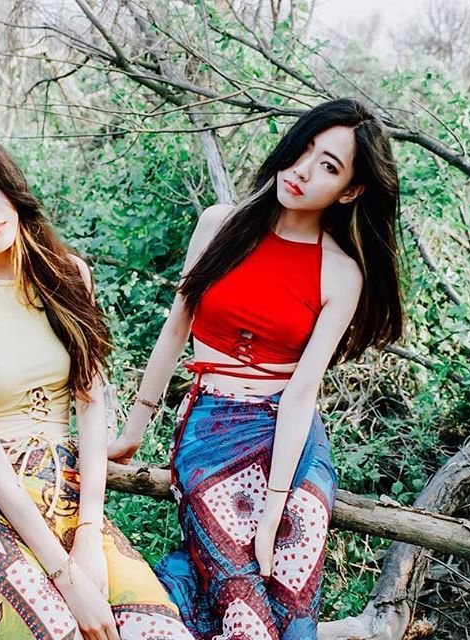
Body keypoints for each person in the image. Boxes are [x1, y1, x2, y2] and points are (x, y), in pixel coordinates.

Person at [107, 98, 404, 640]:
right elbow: (175, 331)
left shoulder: (342, 273)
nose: (303, 170)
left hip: (292, 442)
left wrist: (274, 510)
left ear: (350, 190)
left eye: (328, 166)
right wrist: (134, 428)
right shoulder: (219, 224)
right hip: (210, 428)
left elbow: (301, 393)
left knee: (287, 579)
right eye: (304, 149)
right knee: (240, 596)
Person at [0, 119, 195, 640]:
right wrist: (65, 576)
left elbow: (91, 404)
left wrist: (89, 534)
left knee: (161, 632)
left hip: (73, 507)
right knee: (60, 632)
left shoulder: (69, 274)